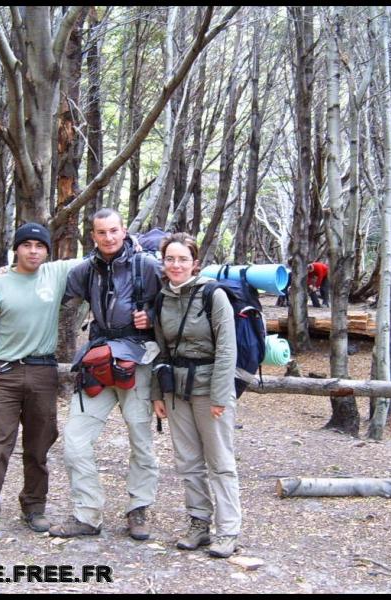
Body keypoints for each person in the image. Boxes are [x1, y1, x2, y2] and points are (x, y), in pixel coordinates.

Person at [0, 222, 81, 539]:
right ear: (17, 249)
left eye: (40, 246)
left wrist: (134, 243)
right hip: (5, 373)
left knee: (39, 446)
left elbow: (101, 255)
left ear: (47, 251)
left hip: (43, 372)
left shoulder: (56, 274)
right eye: (27, 245)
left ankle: (34, 508)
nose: (34, 251)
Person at [49, 208, 162, 541]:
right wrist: (12, 271)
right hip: (97, 360)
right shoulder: (85, 270)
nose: (109, 238)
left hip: (137, 360)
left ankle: (138, 509)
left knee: (141, 442)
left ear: (124, 230)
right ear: (93, 235)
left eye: (114, 231)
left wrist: (152, 317)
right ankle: (87, 514)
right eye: (102, 232)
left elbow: (175, 301)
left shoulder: (148, 267)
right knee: (75, 439)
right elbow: (50, 282)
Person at [150, 232, 241, 559]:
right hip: (176, 390)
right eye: (170, 259)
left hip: (210, 390)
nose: (176, 265)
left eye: (182, 259)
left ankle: (228, 531)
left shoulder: (213, 295)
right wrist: (157, 393)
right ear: (163, 262)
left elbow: (227, 349)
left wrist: (220, 396)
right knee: (188, 462)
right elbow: (159, 350)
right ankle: (199, 524)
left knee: (219, 461)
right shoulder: (162, 298)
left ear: (195, 263)